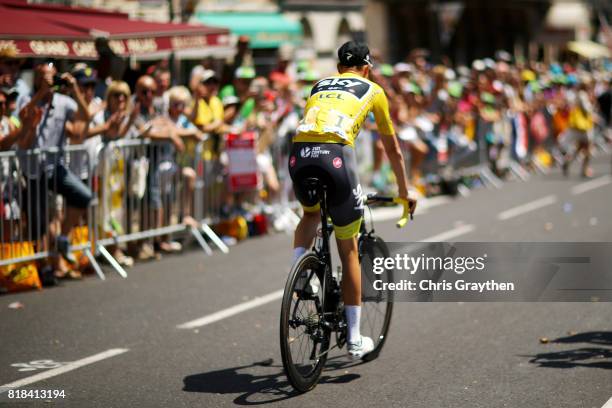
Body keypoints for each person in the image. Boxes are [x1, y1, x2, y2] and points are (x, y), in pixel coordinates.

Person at [289, 41, 416, 359]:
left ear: (338, 68)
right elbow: (393, 149)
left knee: (311, 216)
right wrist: (404, 191)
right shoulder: (373, 90)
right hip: (335, 157)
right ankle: (356, 338)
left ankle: (298, 275)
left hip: (300, 155)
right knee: (348, 249)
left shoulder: (319, 84)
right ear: (367, 67)